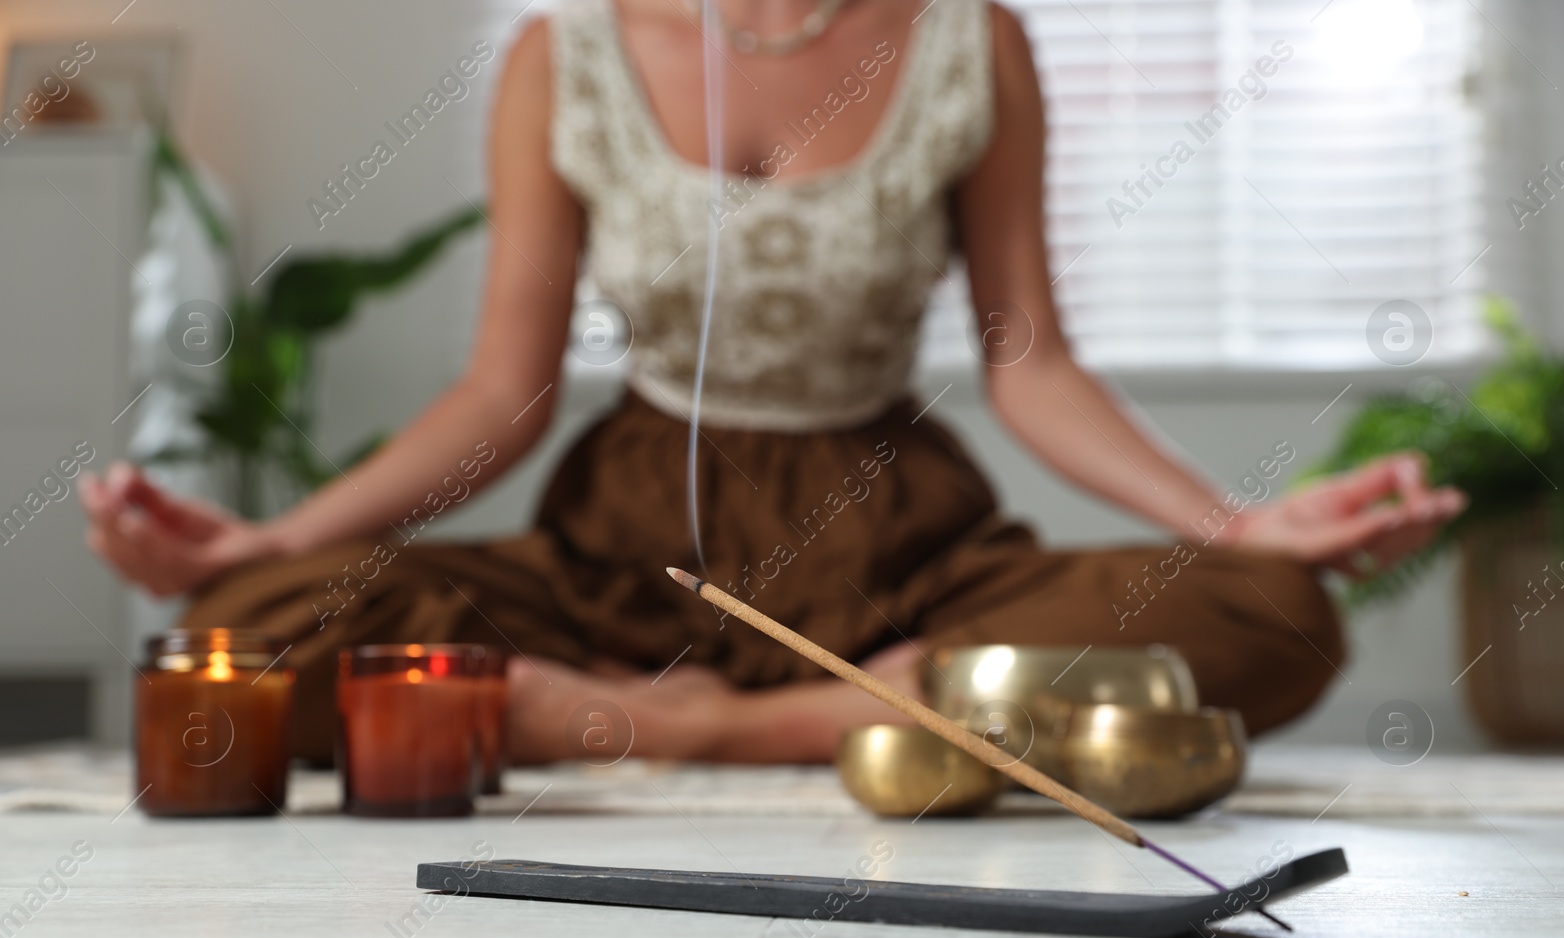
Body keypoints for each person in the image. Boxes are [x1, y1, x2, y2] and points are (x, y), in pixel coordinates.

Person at [81, 0, 1464, 765]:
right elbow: (502, 391)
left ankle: (747, 727)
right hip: (621, 555)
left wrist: (1241, 527)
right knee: (242, 623)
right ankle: (634, 713)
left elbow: (1028, 360)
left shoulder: (968, 40)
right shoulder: (558, 57)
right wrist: (272, 540)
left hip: (898, 548)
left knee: (1271, 619)